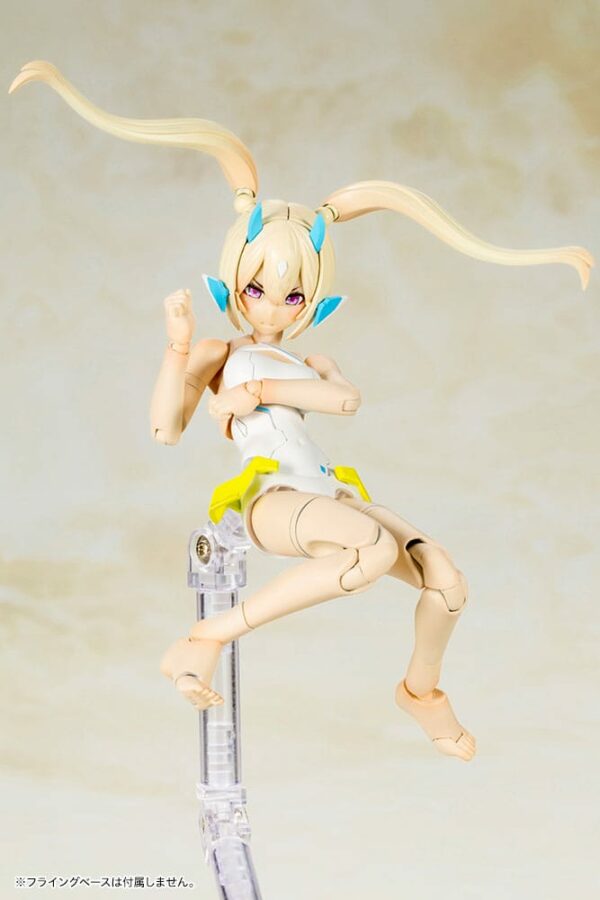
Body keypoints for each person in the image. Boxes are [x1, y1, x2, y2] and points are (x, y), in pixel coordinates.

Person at [10, 60, 593, 762]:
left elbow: (344, 400)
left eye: (293, 296)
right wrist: (179, 349)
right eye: (257, 288)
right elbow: (165, 429)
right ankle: (205, 636)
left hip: (325, 490)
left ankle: (421, 692)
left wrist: (271, 391)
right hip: (269, 497)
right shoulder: (223, 352)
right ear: (235, 277)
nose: (272, 307)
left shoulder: (305, 362)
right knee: (370, 551)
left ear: (313, 300)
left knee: (445, 580)